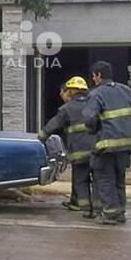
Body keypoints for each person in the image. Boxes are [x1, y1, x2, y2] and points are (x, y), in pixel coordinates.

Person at [82, 61, 131, 225]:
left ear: (98, 75)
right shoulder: (126, 90)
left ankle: (110, 214)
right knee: (119, 178)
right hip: (126, 144)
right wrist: (127, 125)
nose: (93, 79)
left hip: (106, 145)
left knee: (105, 179)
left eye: (94, 76)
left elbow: (89, 119)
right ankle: (120, 212)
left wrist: (93, 131)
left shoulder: (96, 94)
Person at [39, 76, 99, 218]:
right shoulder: (95, 103)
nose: (62, 95)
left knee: (80, 180)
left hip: (79, 152)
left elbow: (51, 126)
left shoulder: (66, 108)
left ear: (71, 92)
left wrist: (40, 138)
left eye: (64, 92)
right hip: (97, 151)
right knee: (98, 181)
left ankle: (83, 208)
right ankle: (97, 209)